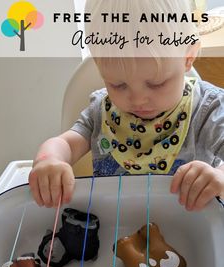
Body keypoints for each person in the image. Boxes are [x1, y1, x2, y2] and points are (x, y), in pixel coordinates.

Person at [29, 0, 224, 212]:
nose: (138, 100)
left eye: (156, 83)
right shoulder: (100, 110)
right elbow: (64, 144)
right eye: (118, 85)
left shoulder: (208, 110)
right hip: (113, 225)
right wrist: (48, 160)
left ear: (188, 57)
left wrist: (220, 176)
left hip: (188, 229)